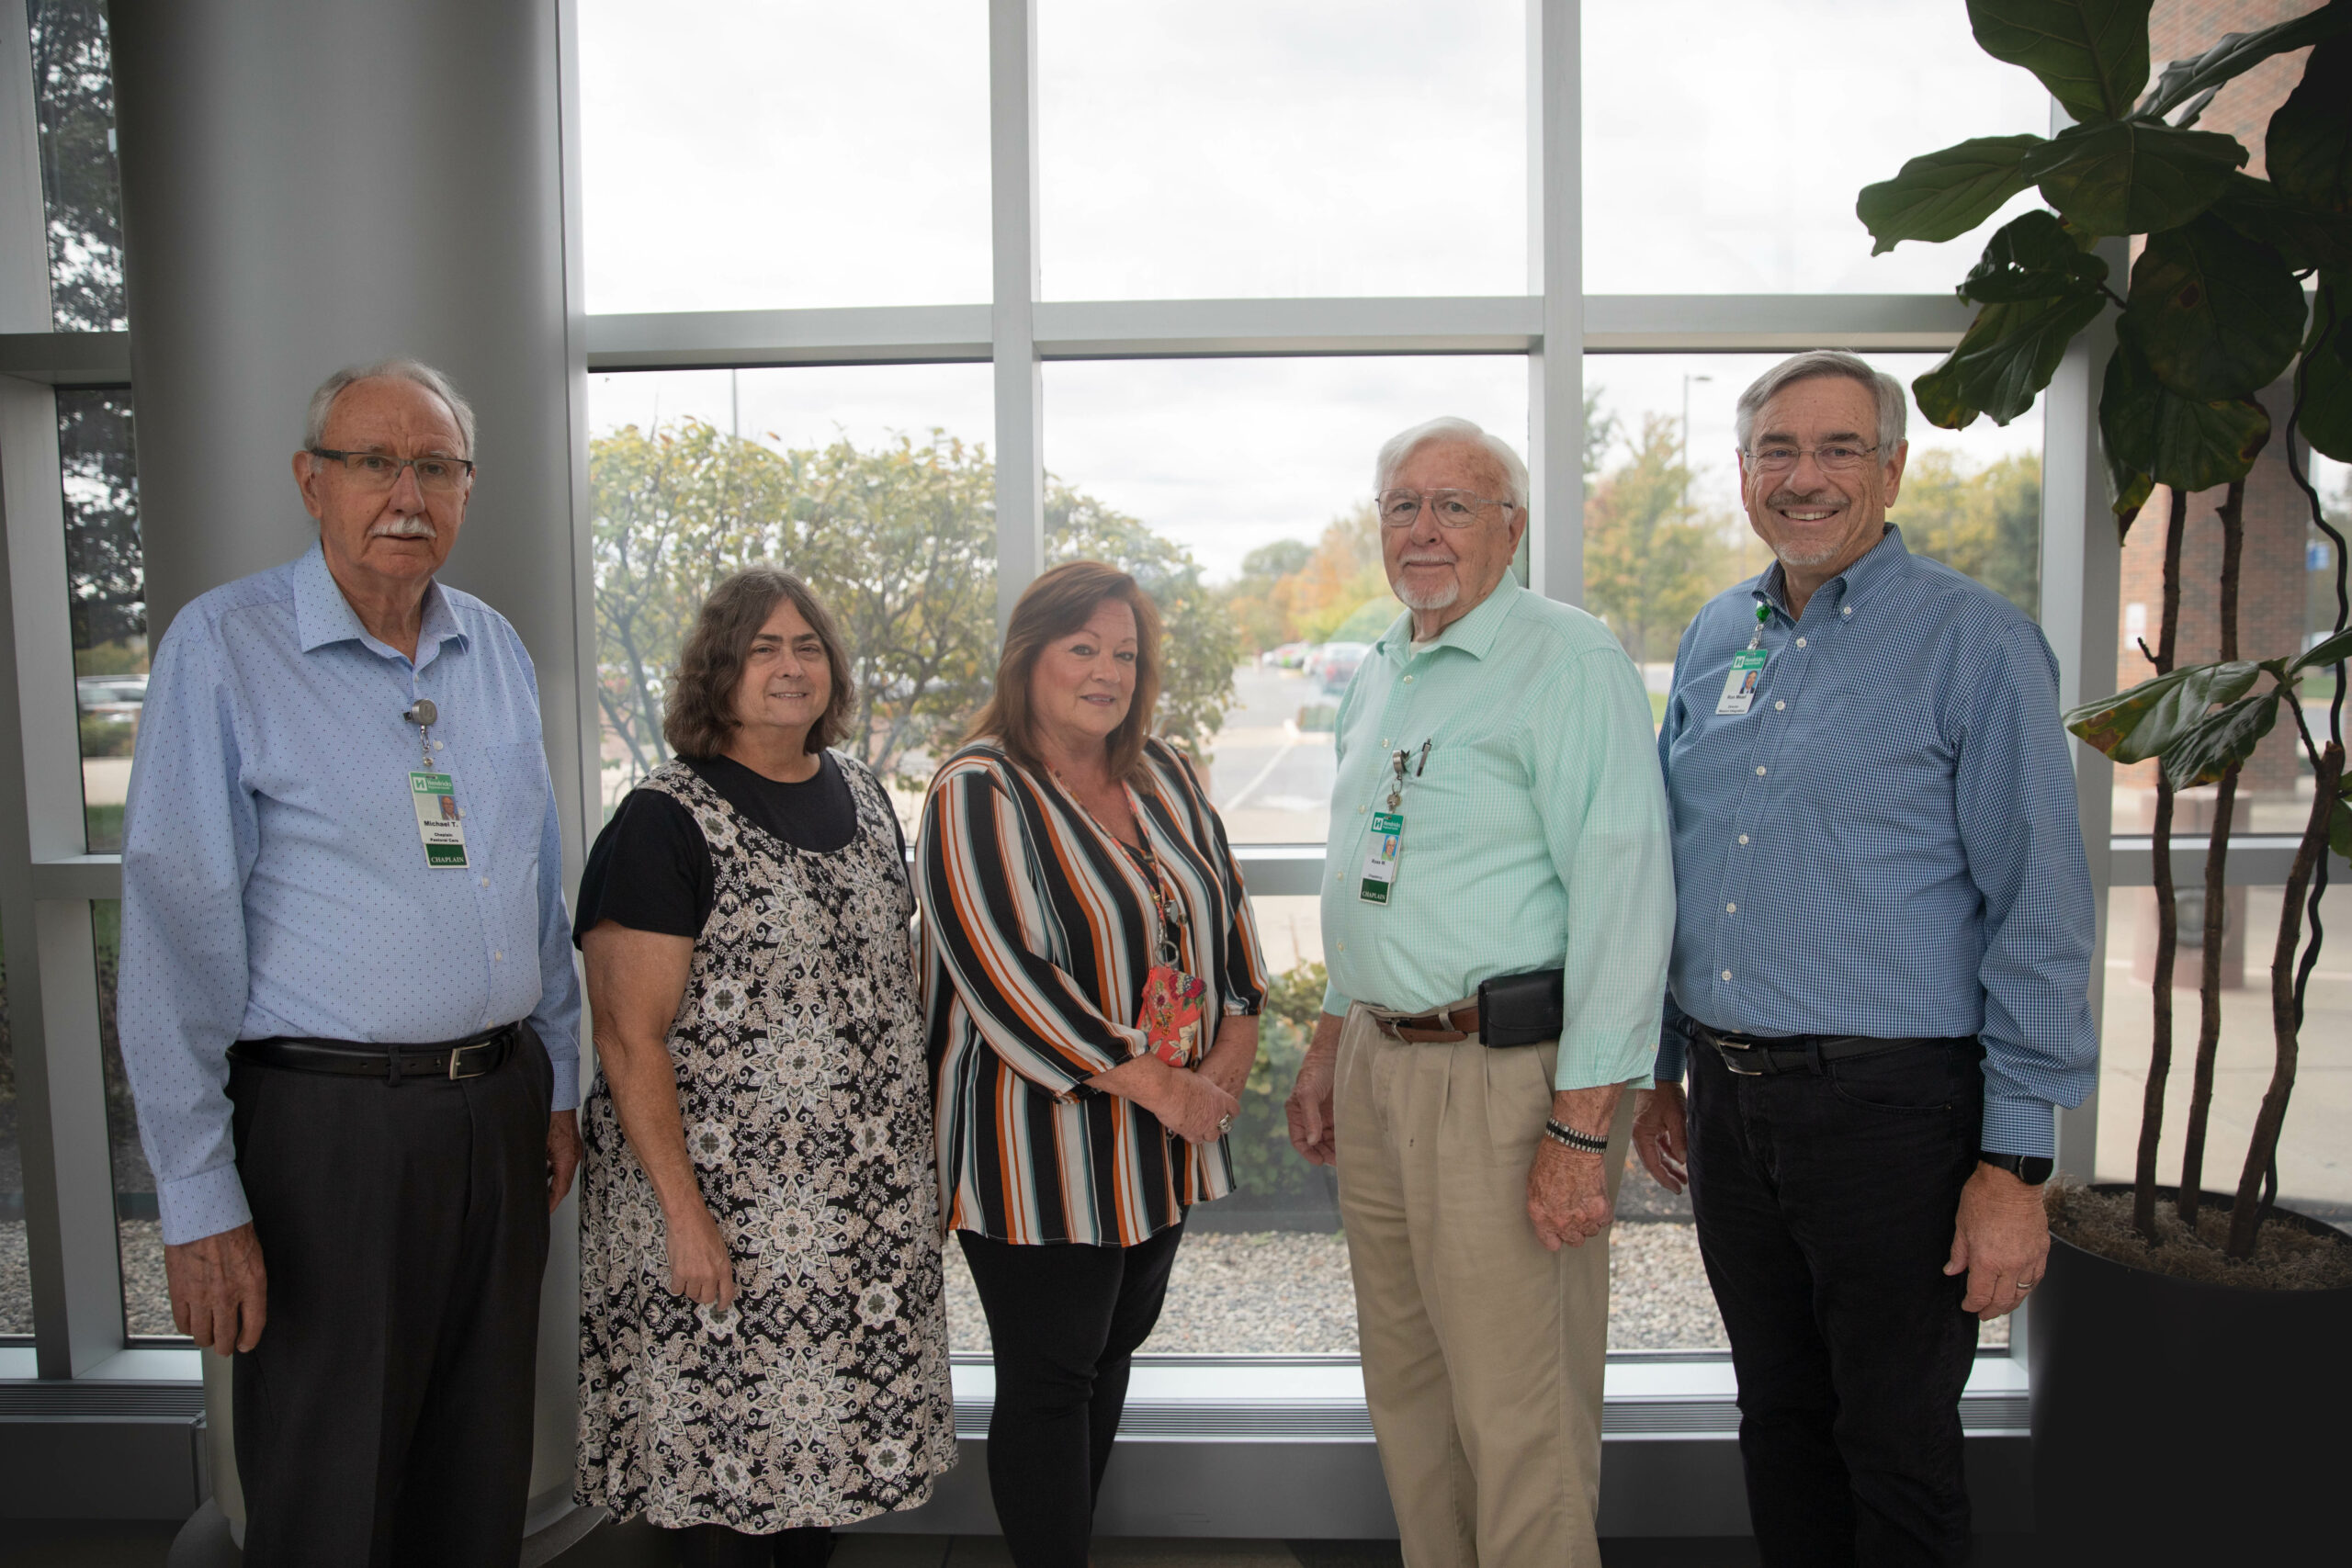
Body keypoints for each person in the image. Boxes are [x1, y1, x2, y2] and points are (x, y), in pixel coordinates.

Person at [1634, 351, 2096, 1567]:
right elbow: (1680, 862)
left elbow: (2039, 905)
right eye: (1779, 449)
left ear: (1893, 468)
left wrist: (2015, 1157)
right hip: (1731, 1110)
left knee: (1893, 1441)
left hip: (1894, 1111)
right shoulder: (1718, 630)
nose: (1807, 476)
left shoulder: (1977, 644)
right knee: (1778, 1416)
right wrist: (1662, 1060)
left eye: (1840, 448)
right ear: (1743, 474)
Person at [118, 359, 582, 1567]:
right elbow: (175, 934)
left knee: (477, 1470)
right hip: (327, 1133)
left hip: (497, 1113)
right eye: (374, 460)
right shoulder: (225, 649)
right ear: (308, 479)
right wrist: (199, 1191)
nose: (405, 490)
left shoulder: (494, 648)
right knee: (331, 1488)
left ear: (467, 487)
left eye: (435, 464)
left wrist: (563, 1080)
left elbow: (535, 886)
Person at [1283, 417, 1675, 1568]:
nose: (1424, 529)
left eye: (1455, 505)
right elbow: (1365, 873)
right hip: (1379, 1064)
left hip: (1507, 1086)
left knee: (1519, 1414)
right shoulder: (1384, 666)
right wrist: (1324, 1046)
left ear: (1511, 527)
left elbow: (1625, 899)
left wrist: (1579, 1125)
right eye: (1402, 505)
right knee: (1406, 1389)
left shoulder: (1568, 661)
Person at [572, 567, 956, 1567]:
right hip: (718, 1214)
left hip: (846, 1219)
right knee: (717, 1480)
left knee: (816, 1479)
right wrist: (684, 1220)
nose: (791, 668)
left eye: (808, 647)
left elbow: (884, 990)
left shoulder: (865, 795)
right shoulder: (664, 819)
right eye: (763, 649)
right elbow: (627, 1038)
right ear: (717, 671)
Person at [918, 560, 1266, 1568]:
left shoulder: (1166, 771)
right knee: (1051, 1378)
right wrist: (1170, 1088)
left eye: (1125, 653)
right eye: (1084, 649)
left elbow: (1227, 923)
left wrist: (1231, 1056)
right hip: (1037, 1152)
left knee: (1111, 1354)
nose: (1107, 671)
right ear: (1029, 656)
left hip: (1160, 1146)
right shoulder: (976, 789)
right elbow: (1003, 974)